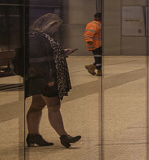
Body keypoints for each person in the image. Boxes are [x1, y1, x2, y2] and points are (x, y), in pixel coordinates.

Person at [25, 13, 82, 148]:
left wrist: (62, 53)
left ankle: (33, 135)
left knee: (37, 106)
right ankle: (64, 136)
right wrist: (48, 78)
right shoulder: (37, 38)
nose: (56, 30)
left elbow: (47, 56)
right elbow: (37, 60)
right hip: (45, 78)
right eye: (55, 27)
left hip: (41, 77)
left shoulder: (42, 37)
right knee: (54, 106)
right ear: (48, 25)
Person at [84, 12, 102, 76]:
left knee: (99, 58)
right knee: (98, 58)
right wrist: (89, 40)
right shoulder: (95, 24)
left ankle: (92, 67)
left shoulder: (98, 24)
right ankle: (98, 70)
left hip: (98, 44)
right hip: (95, 45)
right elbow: (88, 33)